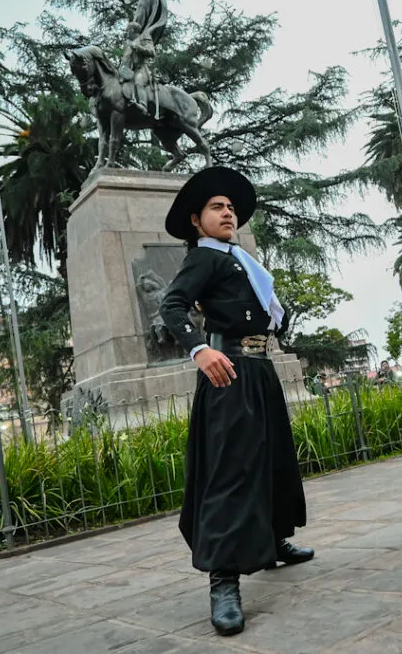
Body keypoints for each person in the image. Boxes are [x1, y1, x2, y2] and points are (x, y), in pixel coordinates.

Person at [159, 167, 312, 636]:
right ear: (196, 220)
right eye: (216, 208)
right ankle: (223, 579)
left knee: (272, 460)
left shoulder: (241, 259)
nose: (227, 213)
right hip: (228, 372)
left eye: (230, 208)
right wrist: (200, 349)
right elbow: (172, 306)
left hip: (259, 369)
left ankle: (273, 540)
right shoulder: (204, 258)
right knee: (231, 471)